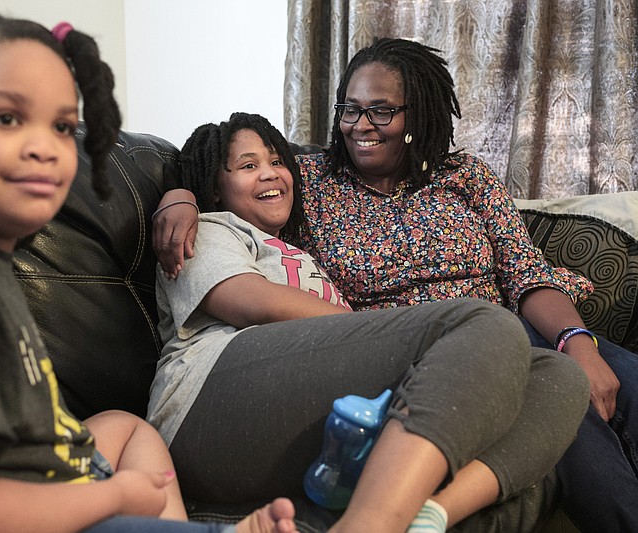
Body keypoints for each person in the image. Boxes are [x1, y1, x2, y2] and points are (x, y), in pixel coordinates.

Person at [0, 5, 299, 533]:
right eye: (7, 118)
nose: (45, 148)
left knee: (124, 427)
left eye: (61, 125)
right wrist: (114, 495)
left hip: (49, 474)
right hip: (1, 516)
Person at [155, 38, 638, 533]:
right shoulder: (311, 182)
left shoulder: (464, 177)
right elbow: (215, 172)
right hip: (426, 348)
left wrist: (576, 341)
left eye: (382, 111)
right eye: (351, 109)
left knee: (572, 376)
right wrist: (179, 197)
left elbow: (526, 271)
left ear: (418, 116)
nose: (361, 125)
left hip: (514, 334)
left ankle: (431, 512)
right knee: (521, 358)